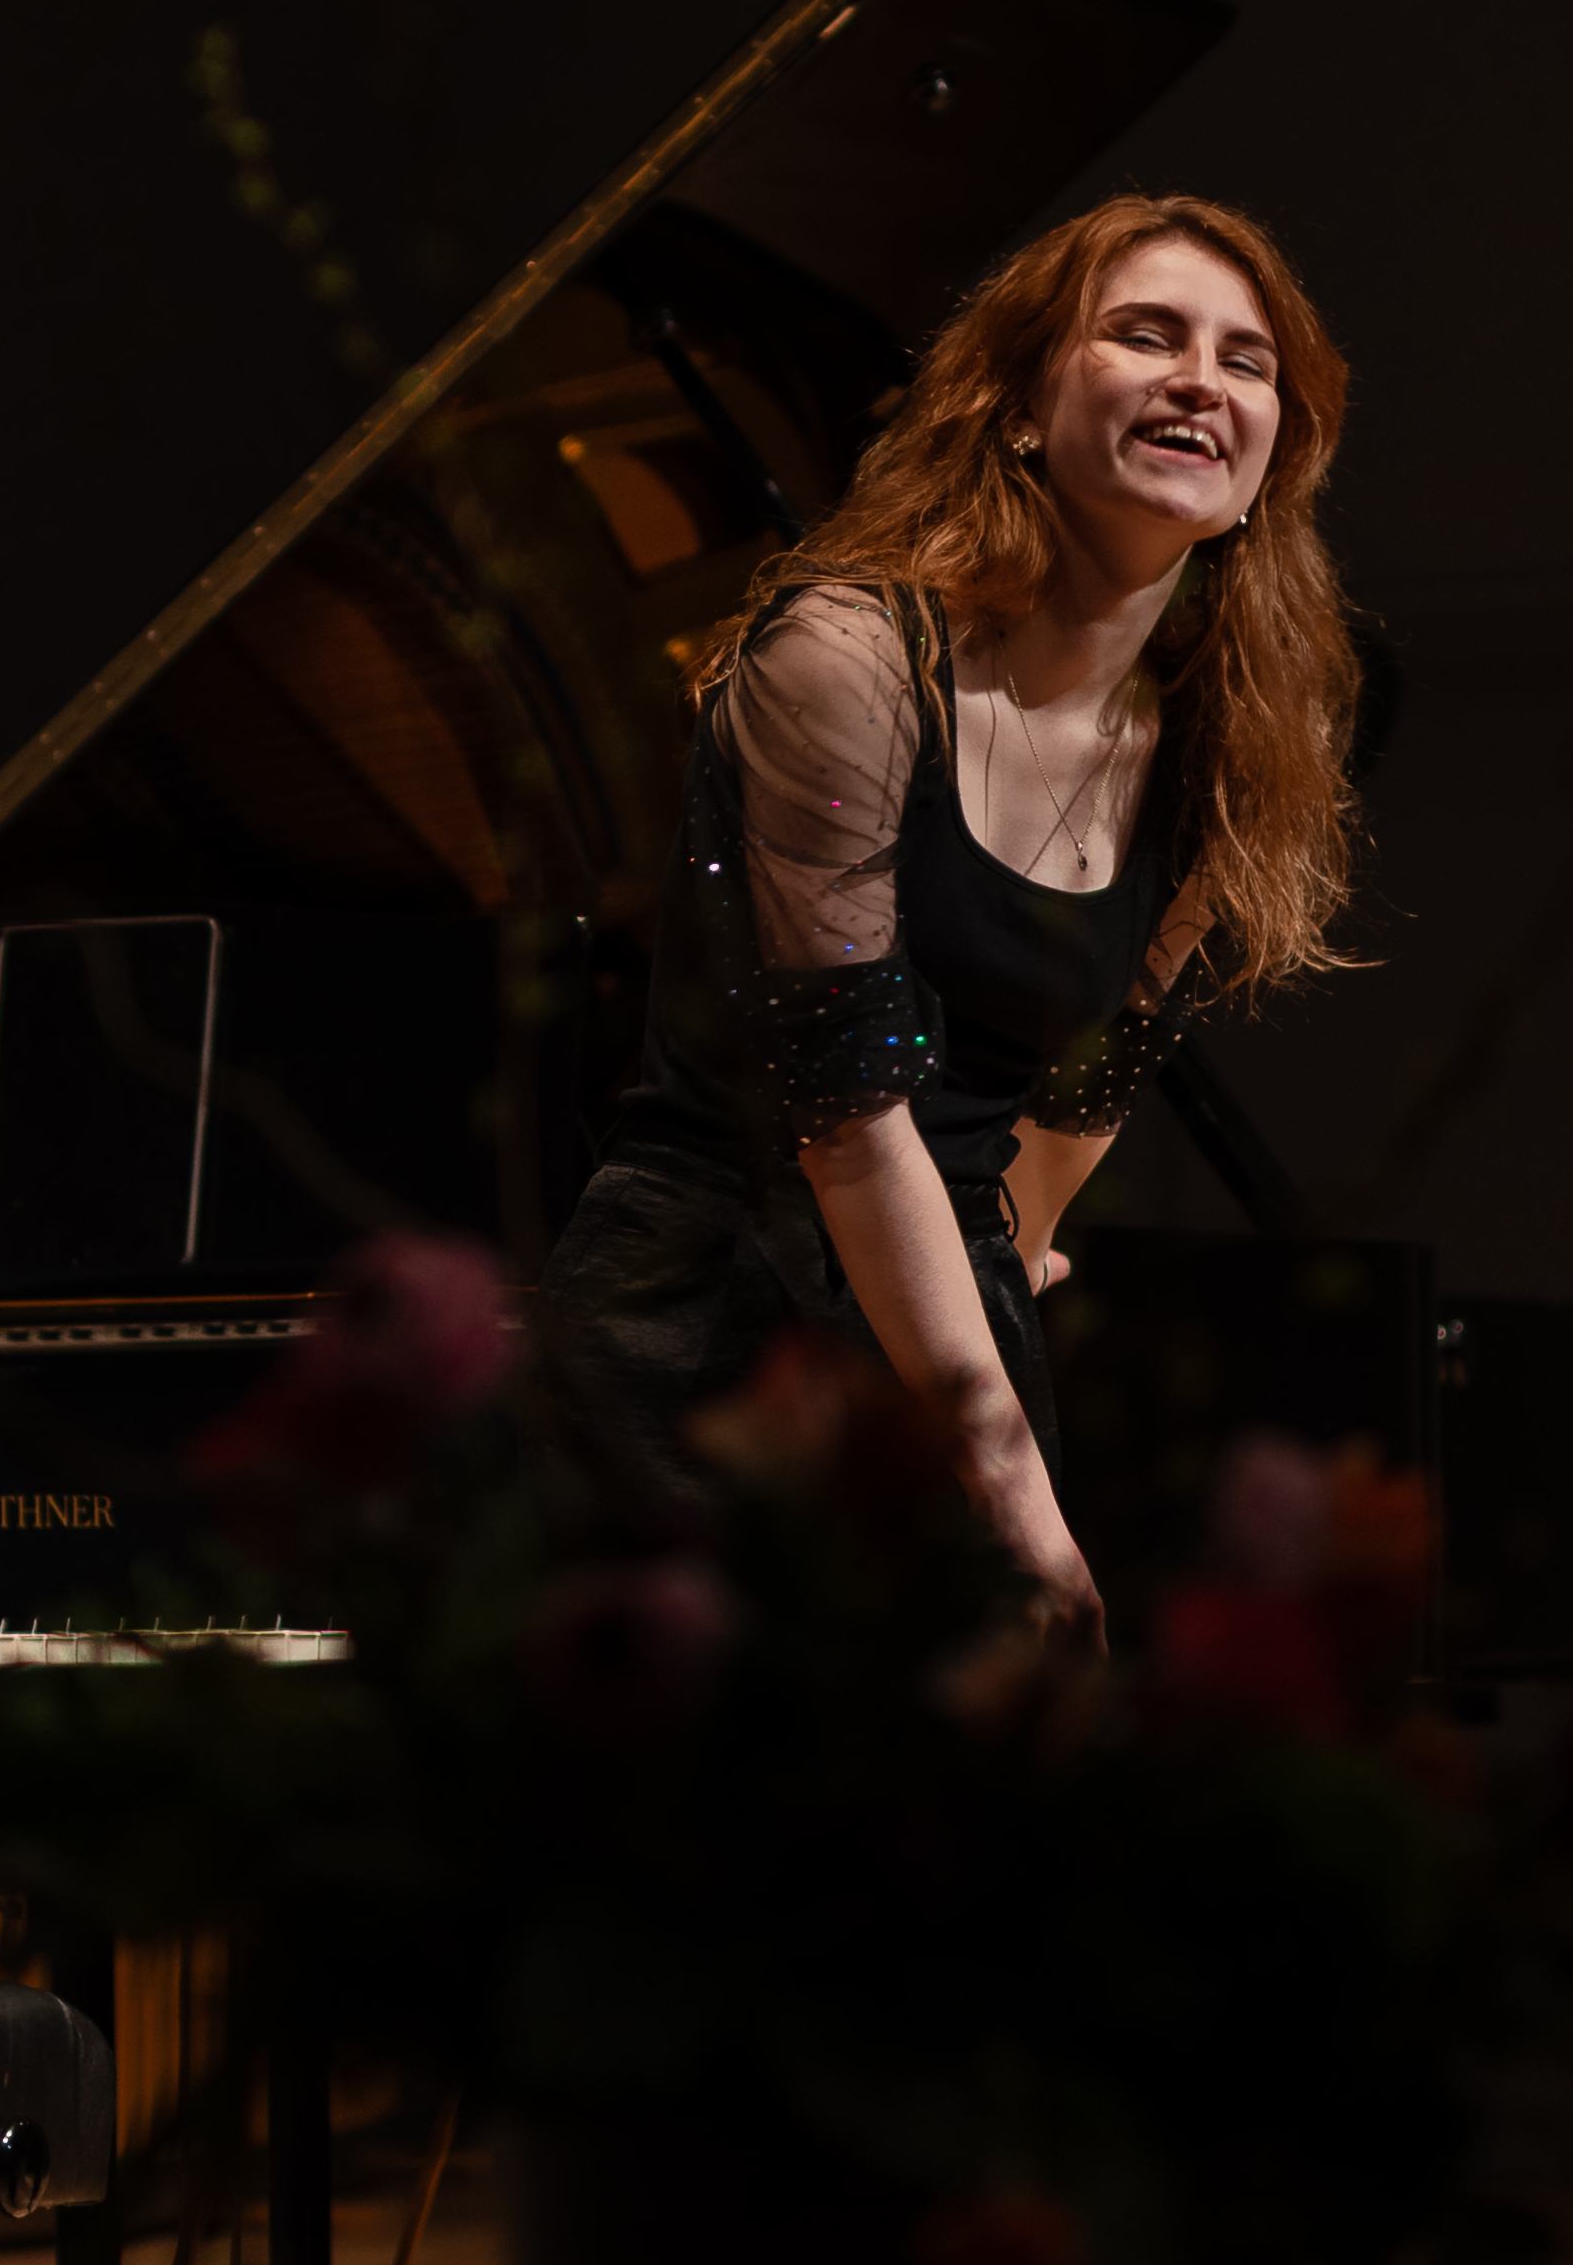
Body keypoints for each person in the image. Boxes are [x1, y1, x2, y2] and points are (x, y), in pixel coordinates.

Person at [530, 194, 1365, 1639]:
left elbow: (1091, 1085)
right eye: (1144, 335)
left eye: (1246, 361)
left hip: (933, 1324)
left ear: (1270, 461)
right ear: (1023, 405)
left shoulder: (1227, 752)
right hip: (703, 1334)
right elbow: (848, 1122)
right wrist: (1021, 1509)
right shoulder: (844, 659)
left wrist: (1005, 1250)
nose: (1200, 382)